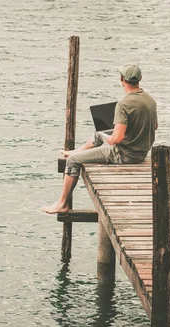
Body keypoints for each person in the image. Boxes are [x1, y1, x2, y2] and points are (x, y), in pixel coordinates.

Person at [40, 63, 158, 214]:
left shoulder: (124, 104)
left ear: (121, 79)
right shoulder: (150, 101)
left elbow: (116, 140)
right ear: (140, 79)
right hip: (141, 152)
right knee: (99, 133)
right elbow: (154, 126)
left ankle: (62, 203)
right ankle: (76, 150)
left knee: (72, 161)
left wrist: (109, 137)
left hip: (124, 155)